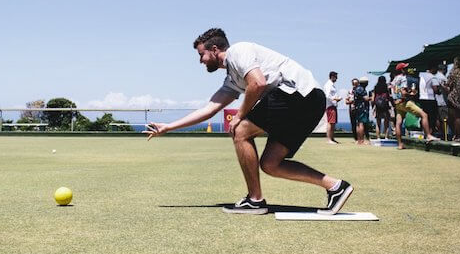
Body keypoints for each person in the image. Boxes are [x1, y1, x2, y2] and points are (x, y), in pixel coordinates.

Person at [144, 28, 353, 215]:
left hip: (299, 94)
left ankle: (255, 200)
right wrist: (168, 127)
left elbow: (257, 83)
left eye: (201, 55)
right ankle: (335, 186)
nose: (200, 61)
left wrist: (239, 116)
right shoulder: (233, 79)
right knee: (271, 164)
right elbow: (209, 109)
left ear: (215, 49)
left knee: (240, 130)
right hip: (309, 103)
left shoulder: (238, 51)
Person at [391, 62, 438, 149]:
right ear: (402, 70)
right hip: (405, 102)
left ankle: (400, 144)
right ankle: (428, 135)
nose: (407, 69)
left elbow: (393, 92)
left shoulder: (394, 80)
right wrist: (411, 94)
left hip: (397, 103)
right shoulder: (403, 78)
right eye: (405, 68)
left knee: (398, 123)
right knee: (424, 115)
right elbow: (404, 92)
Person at [418, 64, 441, 136]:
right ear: (433, 68)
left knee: (424, 116)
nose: (437, 71)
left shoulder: (422, 76)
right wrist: (440, 90)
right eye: (436, 69)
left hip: (422, 98)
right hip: (430, 99)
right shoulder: (433, 77)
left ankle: (425, 132)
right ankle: (430, 133)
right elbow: (435, 89)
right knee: (432, 118)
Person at [323, 71, 341, 144]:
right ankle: (329, 139)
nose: (337, 79)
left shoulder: (332, 85)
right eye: (336, 77)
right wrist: (335, 99)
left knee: (333, 123)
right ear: (332, 76)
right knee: (330, 122)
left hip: (333, 105)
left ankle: (332, 138)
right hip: (330, 105)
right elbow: (327, 96)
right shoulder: (328, 85)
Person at [354, 77, 371, 144]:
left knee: (358, 124)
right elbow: (366, 98)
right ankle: (361, 140)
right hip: (362, 108)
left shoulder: (357, 88)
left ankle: (359, 140)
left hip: (358, 108)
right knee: (361, 124)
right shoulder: (361, 89)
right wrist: (372, 97)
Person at [435, 64, 449, 139]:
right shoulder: (443, 78)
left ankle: (440, 134)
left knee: (438, 119)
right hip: (443, 101)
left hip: (436, 101)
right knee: (445, 119)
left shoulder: (435, 76)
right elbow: (446, 89)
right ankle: (445, 136)